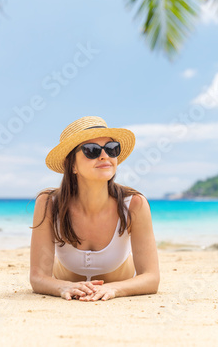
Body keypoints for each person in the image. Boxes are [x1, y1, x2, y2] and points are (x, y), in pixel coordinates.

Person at [29, 116, 159, 301]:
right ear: (72, 164)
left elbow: (151, 278)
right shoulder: (49, 204)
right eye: (92, 150)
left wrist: (114, 289)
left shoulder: (134, 205)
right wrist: (62, 287)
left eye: (112, 149)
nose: (105, 155)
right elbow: (37, 277)